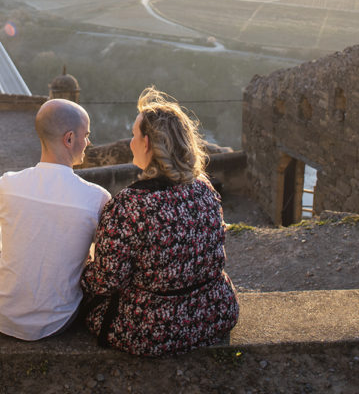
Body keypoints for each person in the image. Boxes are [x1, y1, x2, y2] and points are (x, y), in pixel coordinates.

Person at [80, 87, 239, 356]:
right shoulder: (205, 189)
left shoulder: (130, 205)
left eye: (134, 135)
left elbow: (106, 282)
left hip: (154, 330)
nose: (129, 142)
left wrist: (83, 268)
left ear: (147, 144)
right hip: (215, 314)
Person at [0, 98, 111, 340]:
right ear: (69, 139)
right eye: (86, 135)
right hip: (59, 321)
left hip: (2, 316)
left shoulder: (8, 183)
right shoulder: (97, 198)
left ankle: (4, 294)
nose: (88, 142)